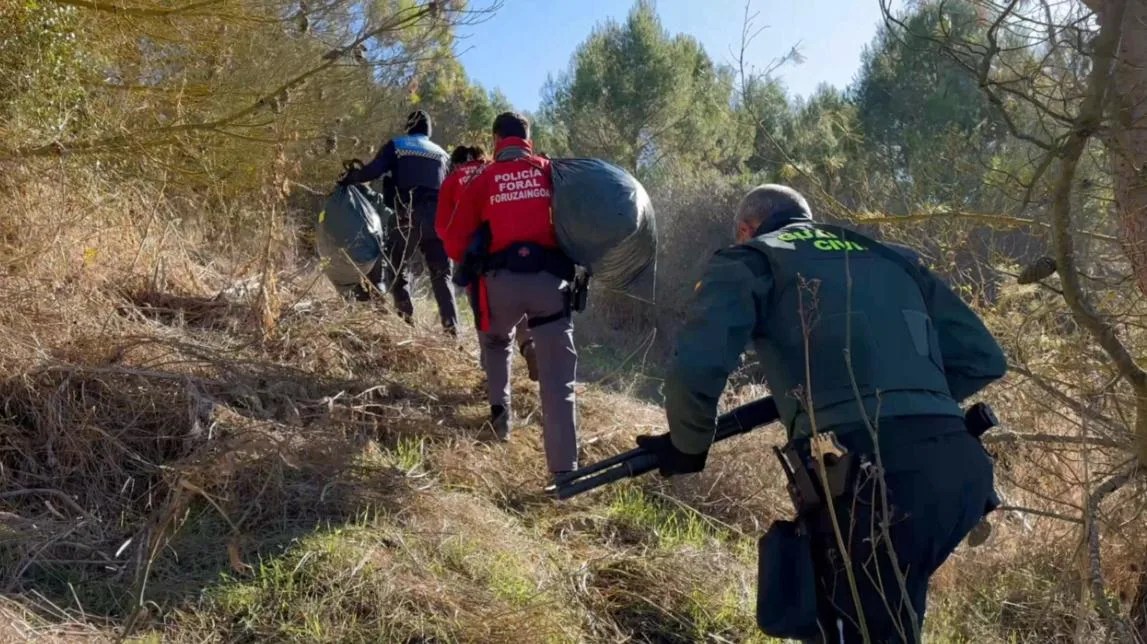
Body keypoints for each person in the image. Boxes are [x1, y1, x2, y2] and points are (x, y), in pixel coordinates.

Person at [638, 184, 1006, 643]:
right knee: (887, 621)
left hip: (876, 479)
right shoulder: (891, 257)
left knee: (853, 628)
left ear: (746, 228)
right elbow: (984, 359)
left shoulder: (754, 258)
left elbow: (695, 369)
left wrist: (686, 447)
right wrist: (904, 397)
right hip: (960, 469)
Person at [441, 112, 578, 480]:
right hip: (550, 285)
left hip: (499, 284)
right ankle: (564, 472)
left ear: (497, 139)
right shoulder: (551, 172)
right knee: (558, 382)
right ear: (528, 138)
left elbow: (453, 237)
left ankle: (500, 412)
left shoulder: (483, 177)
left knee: (496, 342)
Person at [339, 110, 458, 332]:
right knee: (442, 276)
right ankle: (452, 332)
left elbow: (372, 172)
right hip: (437, 220)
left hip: (406, 215)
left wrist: (350, 178)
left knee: (397, 267)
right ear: (429, 131)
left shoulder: (397, 145)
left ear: (408, 127)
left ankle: (406, 323)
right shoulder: (443, 154)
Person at [435, 145, 539, 381]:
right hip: (511, 251)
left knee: (486, 317)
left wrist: (460, 255)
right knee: (518, 303)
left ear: (456, 163)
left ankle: (492, 380)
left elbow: (443, 228)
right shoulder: (494, 171)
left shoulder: (452, 181)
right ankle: (529, 344)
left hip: (477, 260)